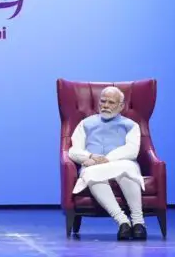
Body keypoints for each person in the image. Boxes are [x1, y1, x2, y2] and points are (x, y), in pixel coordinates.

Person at [66, 86, 146, 240]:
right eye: (103, 101)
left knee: (127, 168)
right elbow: (73, 151)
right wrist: (91, 156)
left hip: (120, 163)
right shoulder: (85, 123)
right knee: (91, 173)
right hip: (94, 165)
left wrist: (107, 159)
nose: (106, 105)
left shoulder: (131, 125)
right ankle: (122, 222)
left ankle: (138, 222)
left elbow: (131, 150)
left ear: (121, 106)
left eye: (111, 102)